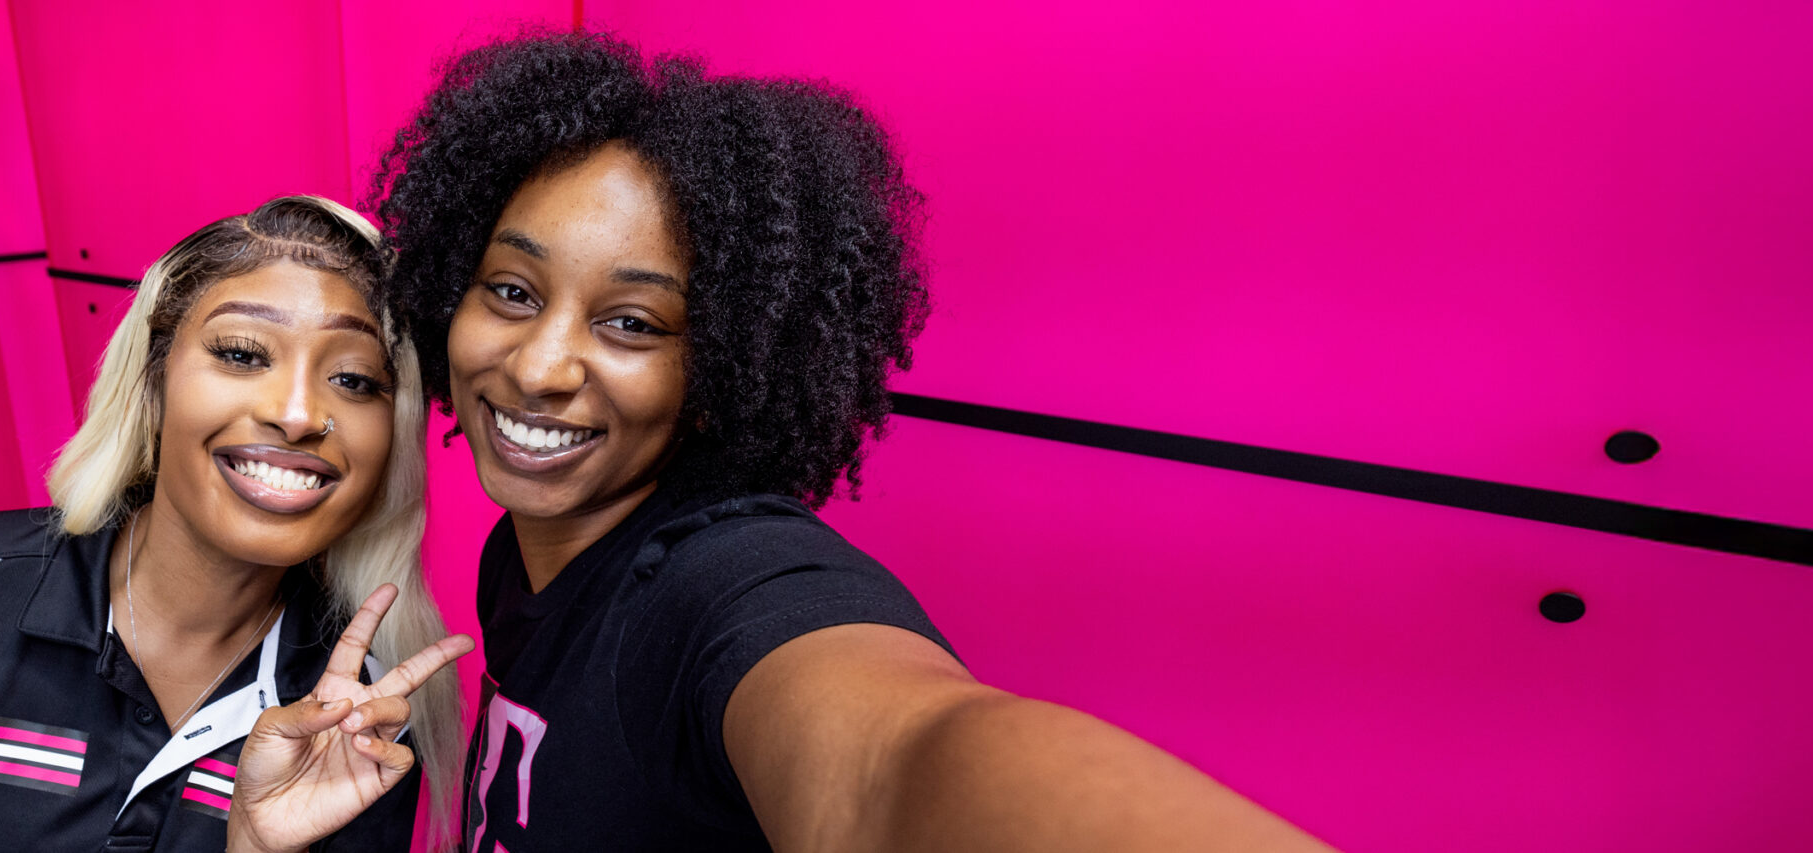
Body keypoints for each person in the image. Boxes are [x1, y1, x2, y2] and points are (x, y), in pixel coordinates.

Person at [230, 33, 1340, 852]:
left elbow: (891, 764)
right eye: (512, 290)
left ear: (721, 363)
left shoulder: (727, 582)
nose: (537, 365)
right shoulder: (535, 543)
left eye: (632, 322)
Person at [0, 196, 473, 852]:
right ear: (153, 384)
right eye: (241, 353)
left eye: (354, 379)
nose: (297, 413)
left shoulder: (361, 707)